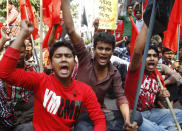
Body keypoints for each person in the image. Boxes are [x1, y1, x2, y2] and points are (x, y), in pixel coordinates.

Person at [0, 20, 106, 131]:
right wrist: (23, 34)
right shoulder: (40, 80)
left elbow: (99, 119)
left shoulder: (85, 90)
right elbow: (4, 73)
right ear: (50, 63)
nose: (64, 59)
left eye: (68, 56)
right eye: (58, 56)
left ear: (74, 63)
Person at [62, 0, 142, 131]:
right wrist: (64, 2)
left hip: (100, 113)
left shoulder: (114, 72)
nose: (103, 53)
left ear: (112, 51)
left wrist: (127, 121)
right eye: (100, 48)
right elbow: (70, 30)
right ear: (94, 49)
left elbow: (121, 97)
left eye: (107, 49)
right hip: (80, 114)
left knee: (136, 116)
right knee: (83, 128)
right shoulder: (85, 59)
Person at [125, 22, 182, 130]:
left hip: (151, 113)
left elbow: (158, 96)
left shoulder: (158, 76)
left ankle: (162, 127)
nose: (152, 58)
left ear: (158, 59)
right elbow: (137, 52)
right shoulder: (135, 71)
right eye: (148, 56)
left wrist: (161, 94)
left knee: (180, 115)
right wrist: (147, 23)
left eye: (155, 56)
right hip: (135, 115)